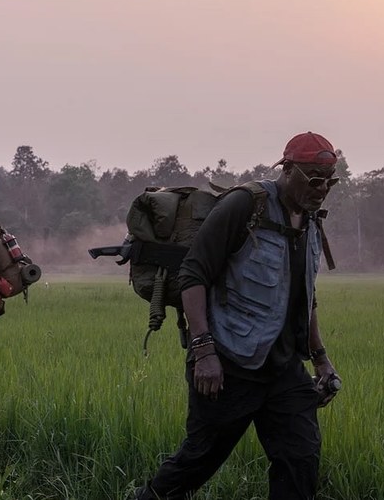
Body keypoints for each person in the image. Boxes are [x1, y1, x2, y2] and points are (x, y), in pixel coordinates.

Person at [134, 132, 343, 500]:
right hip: (229, 363)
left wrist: (321, 359)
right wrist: (204, 351)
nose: (323, 188)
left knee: (301, 461)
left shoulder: (310, 219)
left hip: (284, 369)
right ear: (288, 169)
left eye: (330, 180)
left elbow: (304, 295)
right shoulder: (245, 206)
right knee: (198, 460)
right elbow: (193, 274)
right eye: (314, 178)